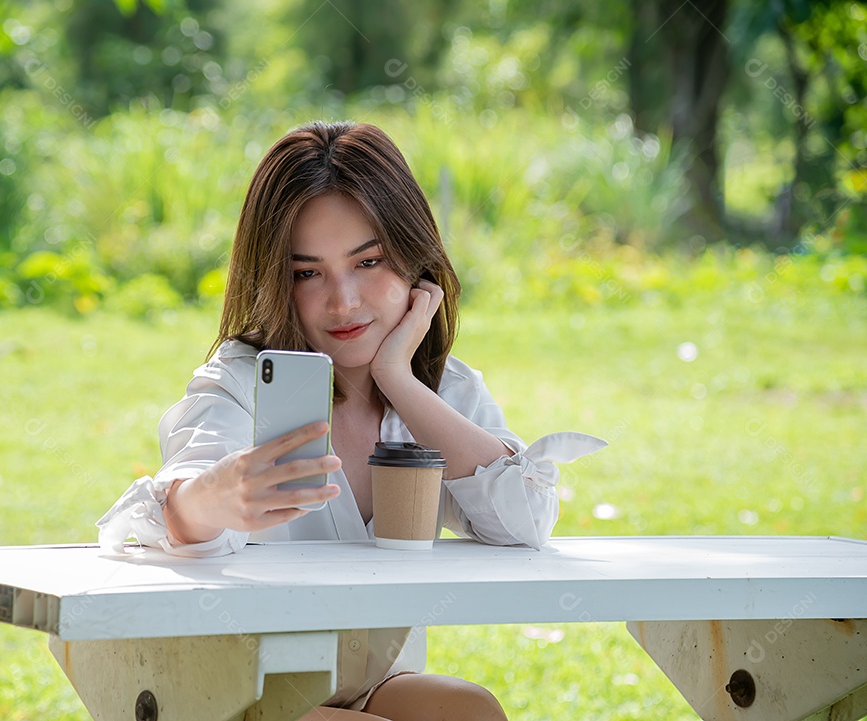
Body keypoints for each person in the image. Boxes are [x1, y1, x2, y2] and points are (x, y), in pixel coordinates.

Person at [97, 121, 606, 721]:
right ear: (272, 278)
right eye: (306, 272)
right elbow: (181, 497)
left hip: (365, 682)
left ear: (417, 260)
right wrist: (211, 498)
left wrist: (400, 380)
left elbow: (525, 522)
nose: (344, 301)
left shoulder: (444, 391)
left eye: (369, 261)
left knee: (470, 711)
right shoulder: (238, 383)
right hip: (226, 685)